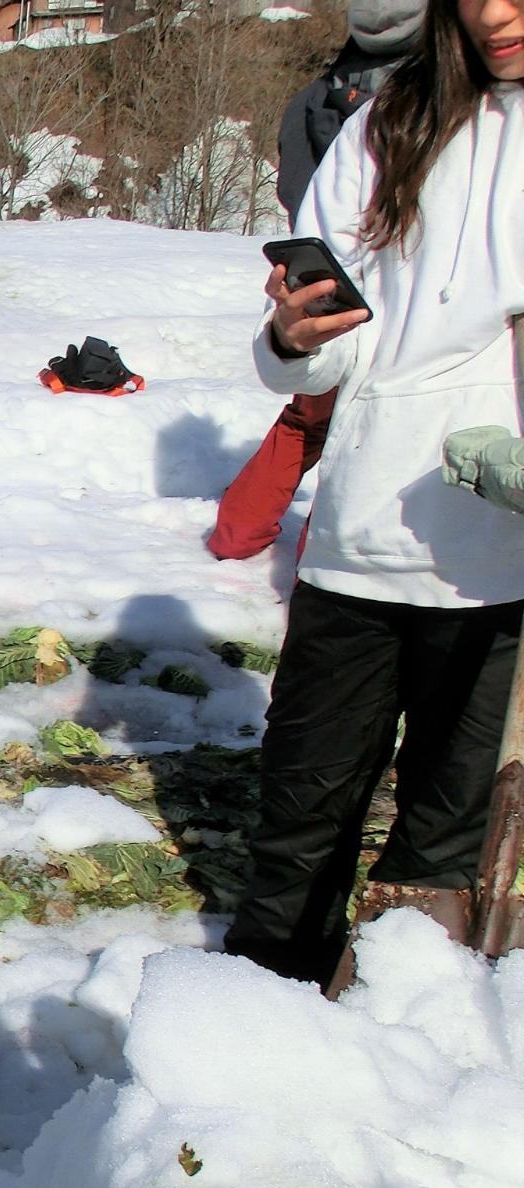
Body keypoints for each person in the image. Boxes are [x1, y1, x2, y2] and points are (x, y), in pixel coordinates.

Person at [221, 0, 524, 990]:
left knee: (443, 840)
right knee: (297, 822)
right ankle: (259, 1027)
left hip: (498, 562)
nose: (492, 13)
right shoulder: (387, 123)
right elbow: (331, 349)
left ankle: (403, 1044)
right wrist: (294, 339)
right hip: (358, 540)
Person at [206, 0, 426, 562]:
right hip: (394, 292)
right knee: (360, 437)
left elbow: (292, 187)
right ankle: (317, 566)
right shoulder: (422, 102)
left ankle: (237, 535)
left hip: (315, 280)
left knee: (306, 420)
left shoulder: (313, 98)